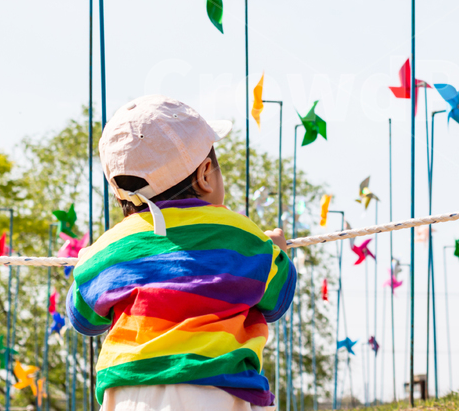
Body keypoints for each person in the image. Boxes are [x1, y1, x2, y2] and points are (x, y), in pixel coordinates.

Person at [68, 95, 296, 411]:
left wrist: (85, 267)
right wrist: (277, 253)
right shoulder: (241, 234)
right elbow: (276, 300)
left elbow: (84, 320)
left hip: (129, 395)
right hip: (217, 389)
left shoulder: (110, 247)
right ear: (205, 175)